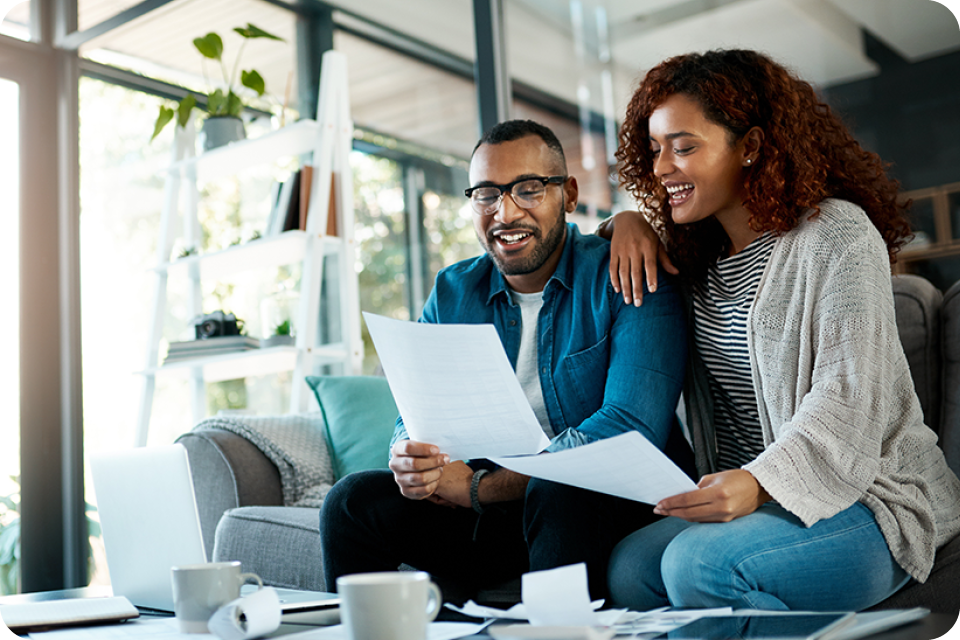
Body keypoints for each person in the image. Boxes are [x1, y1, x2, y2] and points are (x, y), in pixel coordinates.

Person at [601, 48, 960, 612]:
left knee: (695, 565)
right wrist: (624, 222)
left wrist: (759, 482)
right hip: (755, 506)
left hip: (867, 496)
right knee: (630, 570)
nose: (662, 167)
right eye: (654, 150)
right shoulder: (692, 257)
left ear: (751, 147)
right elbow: (590, 249)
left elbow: (848, 400)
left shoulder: (837, 235)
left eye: (684, 146)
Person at [319, 119, 690, 602]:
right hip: (496, 516)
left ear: (568, 193)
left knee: (561, 487)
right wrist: (412, 457)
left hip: (602, 505)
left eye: (529, 190)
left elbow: (627, 427)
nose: (505, 212)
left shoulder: (625, 273)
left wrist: (478, 489)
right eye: (487, 195)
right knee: (350, 503)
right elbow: (418, 412)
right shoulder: (454, 291)